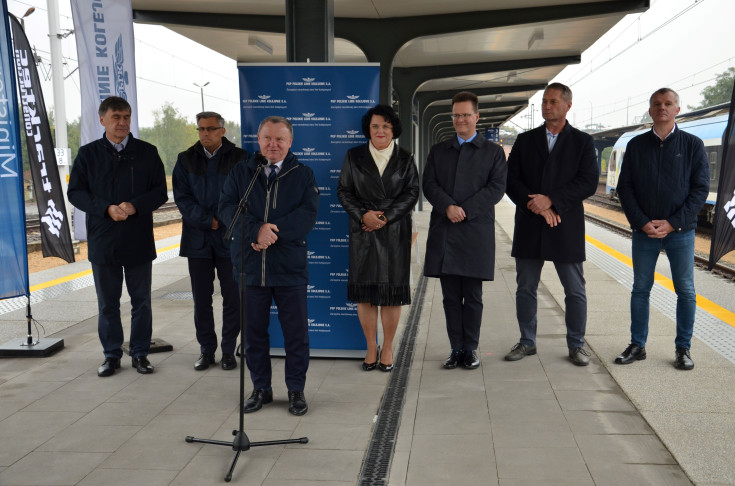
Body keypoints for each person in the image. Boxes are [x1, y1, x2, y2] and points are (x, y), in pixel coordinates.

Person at [219, 116, 319, 415]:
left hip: (289, 269)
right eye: (267, 138)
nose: (272, 144)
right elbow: (227, 208)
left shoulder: (303, 174)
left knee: (296, 333)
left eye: (279, 139)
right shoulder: (242, 172)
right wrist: (255, 231)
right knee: (253, 334)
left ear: (290, 142)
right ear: (258, 140)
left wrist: (270, 232)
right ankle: (260, 387)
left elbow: (307, 216)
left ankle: (296, 390)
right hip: (250, 267)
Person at [67, 96, 168, 377]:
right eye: (116, 117)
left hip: (137, 239)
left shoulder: (147, 152)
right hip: (103, 240)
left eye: (126, 117)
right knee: (107, 304)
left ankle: (139, 354)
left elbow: (160, 190)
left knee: (142, 302)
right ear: (102, 120)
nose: (122, 123)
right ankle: (111, 355)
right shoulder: (88, 154)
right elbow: (75, 192)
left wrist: (135, 205)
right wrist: (105, 209)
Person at [504, 82, 599, 367]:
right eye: (545, 101)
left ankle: (577, 345)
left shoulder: (582, 142)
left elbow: (588, 182)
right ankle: (527, 341)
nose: (547, 106)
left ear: (568, 105)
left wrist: (552, 201)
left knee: (575, 290)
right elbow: (512, 180)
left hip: (565, 224)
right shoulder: (525, 140)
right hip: (531, 223)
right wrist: (536, 205)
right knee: (525, 287)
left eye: (553, 101)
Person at [614, 87, 709, 371]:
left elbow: (700, 189)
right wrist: (642, 222)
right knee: (641, 288)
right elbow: (625, 188)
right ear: (650, 109)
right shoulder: (636, 145)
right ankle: (637, 345)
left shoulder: (693, 145)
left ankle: (683, 348)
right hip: (644, 232)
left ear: (677, 109)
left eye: (668, 103)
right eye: (657, 104)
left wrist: (673, 222)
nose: (662, 108)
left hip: (681, 232)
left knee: (686, 290)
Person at [423, 91, 507, 370]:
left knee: (472, 297)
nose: (460, 119)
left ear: (477, 117)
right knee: (449, 298)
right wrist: (448, 206)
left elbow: (496, 188)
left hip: (475, 233)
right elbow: (430, 184)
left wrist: (466, 210)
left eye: (466, 114)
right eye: (456, 115)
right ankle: (455, 348)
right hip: (446, 231)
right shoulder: (439, 151)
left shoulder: (493, 153)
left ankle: (470, 349)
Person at [337, 105, 419, 372]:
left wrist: (384, 218)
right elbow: (344, 191)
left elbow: (411, 193)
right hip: (363, 232)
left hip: (394, 231)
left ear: (393, 129)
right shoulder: (353, 156)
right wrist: (364, 215)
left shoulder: (406, 157)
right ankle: (371, 346)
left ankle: (388, 347)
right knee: (366, 294)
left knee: (392, 294)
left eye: (385, 126)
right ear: (368, 129)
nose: (380, 131)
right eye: (375, 126)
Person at [173, 111, 248, 371]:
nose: (205, 133)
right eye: (201, 129)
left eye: (210, 129)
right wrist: (207, 220)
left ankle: (229, 350)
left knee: (233, 298)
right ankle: (207, 350)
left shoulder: (240, 158)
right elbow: (182, 199)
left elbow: (246, 196)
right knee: (201, 299)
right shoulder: (186, 159)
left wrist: (224, 220)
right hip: (198, 240)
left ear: (222, 131)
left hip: (231, 239)